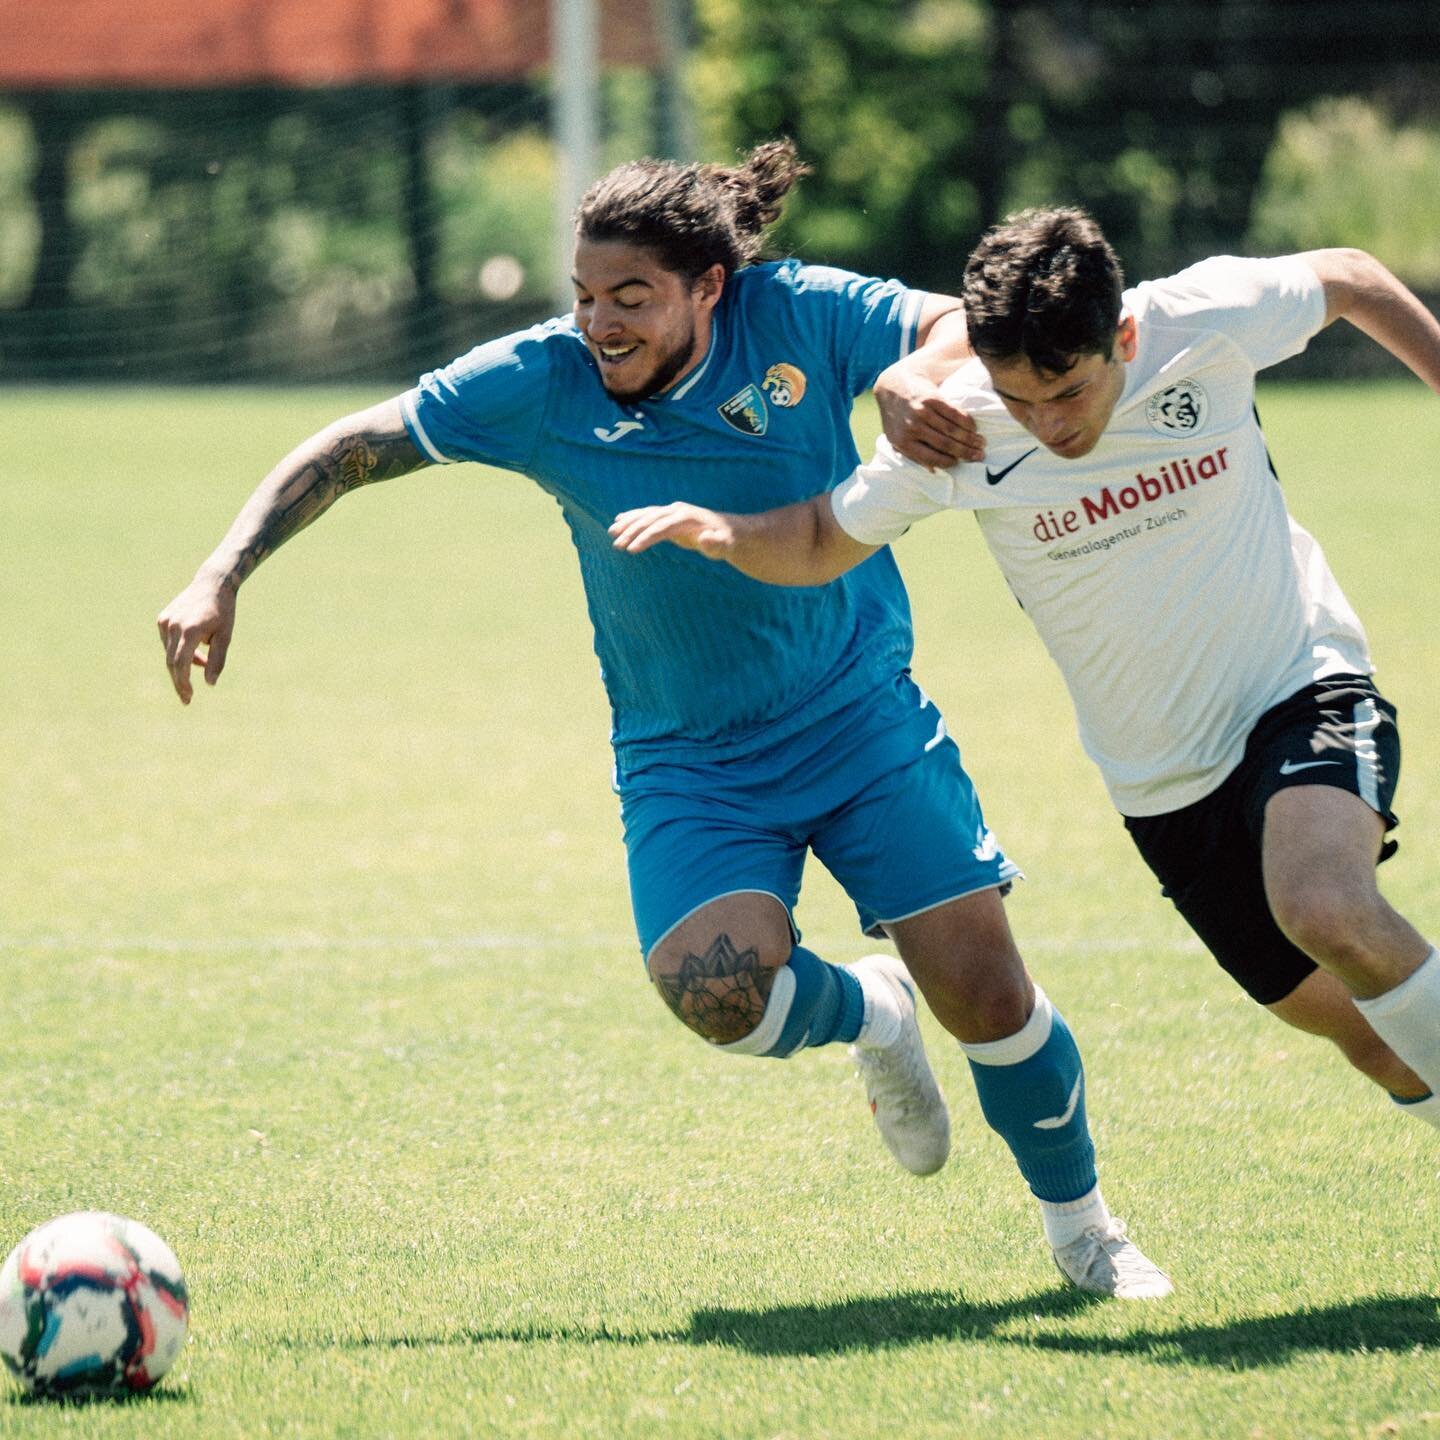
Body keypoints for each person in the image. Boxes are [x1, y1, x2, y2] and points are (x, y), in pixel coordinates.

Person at [158, 153, 1171, 1300]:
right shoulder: (539, 380)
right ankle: (872, 1016)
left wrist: (913, 381)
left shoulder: (798, 313)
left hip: (856, 714)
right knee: (718, 998)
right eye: (585, 295)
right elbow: (352, 448)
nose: (598, 321)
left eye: (629, 296)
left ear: (709, 287)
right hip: (690, 757)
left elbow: (951, 321)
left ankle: (1086, 1231)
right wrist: (220, 571)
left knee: (988, 996)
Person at [609, 206, 1440, 1139]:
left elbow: (1353, 274)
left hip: (1300, 687)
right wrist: (725, 534)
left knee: (1325, 905)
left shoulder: (1204, 319)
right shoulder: (957, 427)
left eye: (1071, 392)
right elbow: (819, 536)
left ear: (1122, 334)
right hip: (1162, 783)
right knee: (1374, 1040)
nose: (1047, 424)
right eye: (1020, 398)